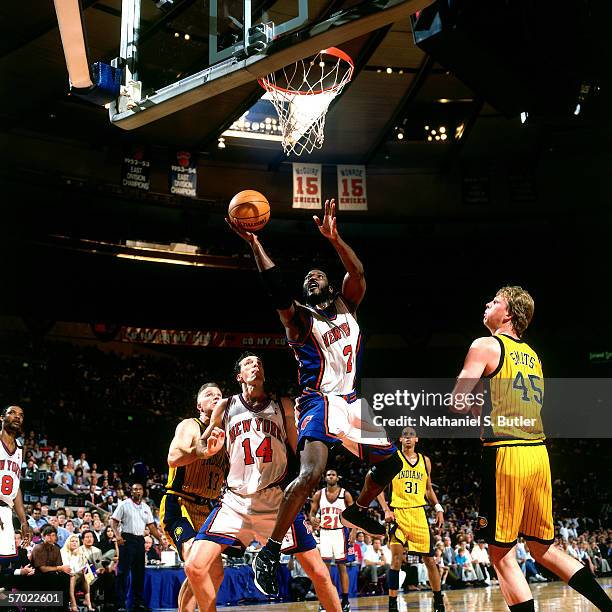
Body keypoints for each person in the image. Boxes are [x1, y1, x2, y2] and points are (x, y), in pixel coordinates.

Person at [228, 200, 403, 595]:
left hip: (353, 400)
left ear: (330, 284)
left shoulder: (348, 306)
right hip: (319, 400)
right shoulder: (301, 321)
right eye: (306, 278)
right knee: (311, 473)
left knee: (390, 463)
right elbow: (275, 289)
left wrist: (335, 239)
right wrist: (255, 245)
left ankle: (357, 509)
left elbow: (357, 272)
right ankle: (270, 552)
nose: (312, 278)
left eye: (318, 274)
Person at [451, 286, 612, 612]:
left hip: (506, 454)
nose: (487, 303)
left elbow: (457, 400)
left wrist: (470, 404)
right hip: (538, 454)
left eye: (495, 301)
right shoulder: (534, 356)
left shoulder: (485, 345)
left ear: (508, 314)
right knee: (543, 548)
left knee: (500, 554)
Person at [185, 352, 341, 612]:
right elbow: (203, 442)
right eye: (248, 363)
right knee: (194, 566)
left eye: (259, 363)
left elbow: (297, 450)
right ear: (239, 376)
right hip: (234, 501)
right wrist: (206, 449)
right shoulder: (225, 406)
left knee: (319, 574)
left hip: (275, 502)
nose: (255, 365)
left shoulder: (283, 405)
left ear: (264, 374)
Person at [159, 382, 227, 612]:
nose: (216, 398)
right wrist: (202, 451)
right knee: (194, 560)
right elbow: (173, 457)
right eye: (209, 395)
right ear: (199, 404)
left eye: (219, 395)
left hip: (208, 508)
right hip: (180, 501)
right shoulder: (191, 425)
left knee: (215, 571)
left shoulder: (227, 436)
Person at [377, 427, 445, 612]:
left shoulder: (425, 461)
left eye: (411, 435)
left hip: (419, 514)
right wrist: (385, 510)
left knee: (430, 560)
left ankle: (438, 600)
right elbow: (378, 489)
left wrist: (438, 508)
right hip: (398, 514)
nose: (408, 438)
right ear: (400, 439)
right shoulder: (393, 459)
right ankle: (392, 603)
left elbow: (428, 489)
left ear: (417, 439)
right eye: (404, 435)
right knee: (396, 559)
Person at [112, 482, 165, 612]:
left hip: (139, 540)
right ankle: (120, 604)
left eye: (140, 489)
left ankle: (138, 603)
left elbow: (151, 527)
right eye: (135, 489)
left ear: (143, 492)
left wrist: (161, 540)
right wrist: (117, 535)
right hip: (127, 539)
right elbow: (113, 521)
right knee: (123, 573)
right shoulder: (124, 504)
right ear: (131, 491)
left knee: (139, 573)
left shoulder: (146, 507)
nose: (137, 491)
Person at [310, 469, 355, 612]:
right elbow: (312, 513)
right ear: (325, 478)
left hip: (340, 533)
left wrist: (354, 531)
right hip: (325, 533)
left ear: (337, 477)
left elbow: (354, 515)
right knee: (325, 570)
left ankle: (346, 600)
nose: (331, 477)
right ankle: (325, 600)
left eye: (333, 475)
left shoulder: (345, 494)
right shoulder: (319, 494)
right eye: (328, 475)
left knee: (342, 567)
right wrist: (312, 519)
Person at [0, 406, 31, 559]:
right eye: (12, 413)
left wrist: (23, 522)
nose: (17, 416)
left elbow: (15, 487)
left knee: (3, 564)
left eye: (21, 415)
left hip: (6, 510)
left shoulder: (20, 449)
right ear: (1, 418)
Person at [30, 524, 71, 603]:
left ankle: (64, 605)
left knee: (66, 576)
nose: (51, 538)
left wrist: (64, 570)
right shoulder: (38, 548)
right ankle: (51, 605)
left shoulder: (56, 548)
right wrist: (60, 568)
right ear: (44, 536)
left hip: (51, 573)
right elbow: (42, 568)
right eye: (48, 535)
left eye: (53, 535)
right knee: (52, 577)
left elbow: (59, 565)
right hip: (37, 574)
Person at [61, 534, 95, 612]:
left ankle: (88, 601)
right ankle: (73, 603)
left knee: (86, 572)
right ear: (68, 542)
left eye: (76, 541)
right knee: (72, 576)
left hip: (78, 575)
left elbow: (84, 565)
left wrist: (84, 569)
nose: (74, 543)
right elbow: (67, 568)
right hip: (66, 575)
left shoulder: (80, 553)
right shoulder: (63, 552)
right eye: (72, 541)